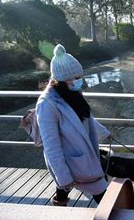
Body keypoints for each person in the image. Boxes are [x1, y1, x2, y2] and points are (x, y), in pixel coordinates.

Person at [36, 44, 112, 206]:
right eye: (73, 78)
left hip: (81, 155)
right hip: (69, 159)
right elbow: (51, 146)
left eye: (78, 77)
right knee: (101, 193)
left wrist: (105, 133)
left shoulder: (72, 92)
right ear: (60, 80)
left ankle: (59, 204)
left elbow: (87, 118)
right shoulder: (47, 104)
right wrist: (64, 177)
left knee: (63, 189)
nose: (77, 81)